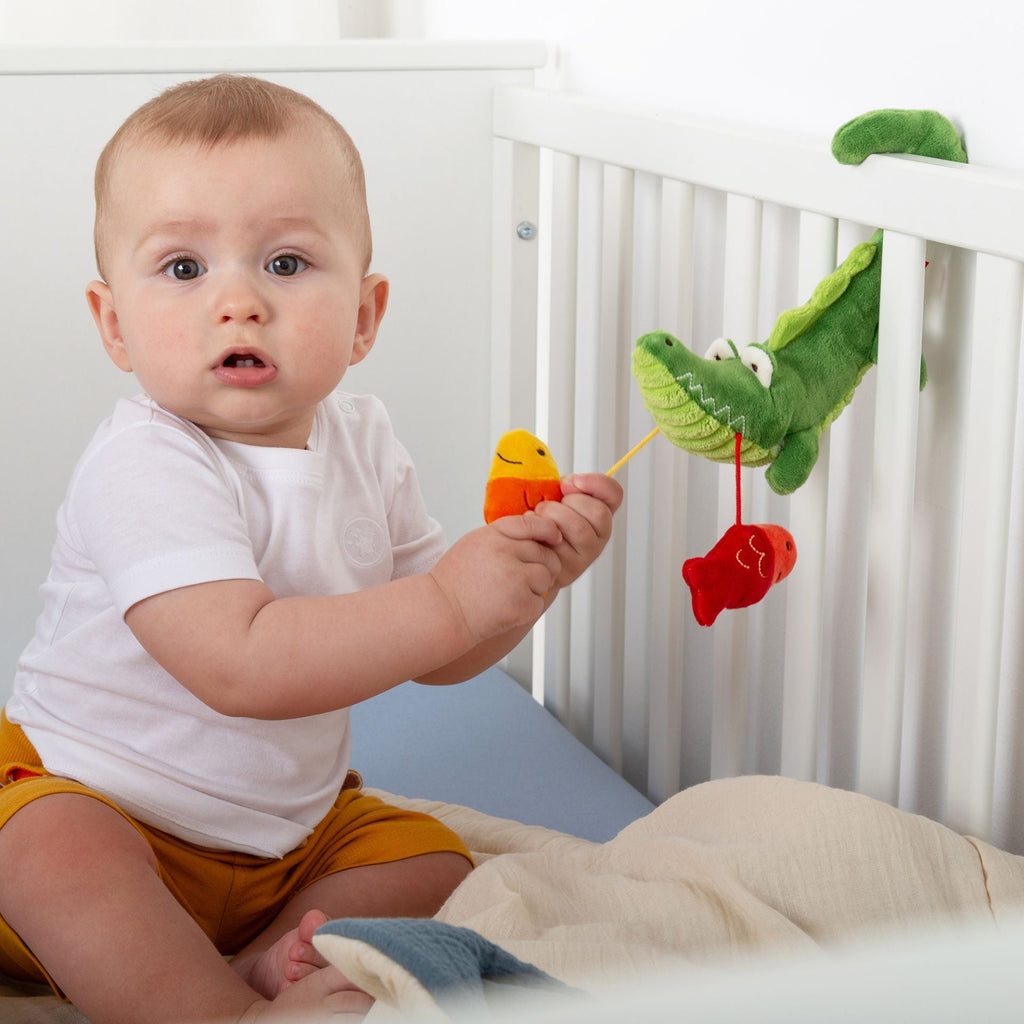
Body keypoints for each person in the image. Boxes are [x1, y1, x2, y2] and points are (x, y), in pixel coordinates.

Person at [0, 74, 622, 1024]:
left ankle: (256, 957)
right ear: (114, 324)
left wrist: (516, 586)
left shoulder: (363, 441)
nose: (239, 301)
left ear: (365, 316)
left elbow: (441, 653)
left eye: (286, 264)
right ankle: (221, 1011)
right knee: (49, 849)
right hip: (93, 796)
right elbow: (240, 665)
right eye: (183, 269)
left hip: (282, 838)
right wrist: (451, 599)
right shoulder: (145, 463)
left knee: (431, 857)